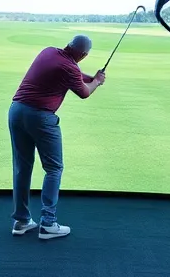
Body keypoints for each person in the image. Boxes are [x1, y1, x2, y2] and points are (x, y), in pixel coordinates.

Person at [8, 35, 106, 239]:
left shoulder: (49, 51)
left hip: (16, 111)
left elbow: (74, 74)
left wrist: (92, 78)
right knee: (54, 168)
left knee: (22, 167)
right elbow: (85, 93)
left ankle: (22, 221)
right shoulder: (69, 68)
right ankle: (48, 223)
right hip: (40, 117)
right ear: (84, 54)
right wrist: (96, 81)